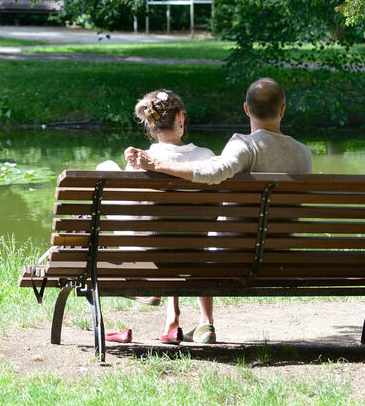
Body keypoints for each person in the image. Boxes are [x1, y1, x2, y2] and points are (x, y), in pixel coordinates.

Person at [124, 77, 312, 344]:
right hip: (284, 258)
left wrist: (157, 165)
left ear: (246, 109)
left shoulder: (244, 146)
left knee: (195, 231)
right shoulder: (304, 153)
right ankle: (204, 321)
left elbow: (214, 172)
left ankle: (183, 318)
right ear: (283, 110)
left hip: (236, 258)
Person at [100, 89, 215, 346]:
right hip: (195, 254)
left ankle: (157, 298)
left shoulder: (139, 162)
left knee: (106, 168)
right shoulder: (207, 158)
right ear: (180, 117)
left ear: (149, 124)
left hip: (149, 261)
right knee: (179, 229)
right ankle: (195, 321)